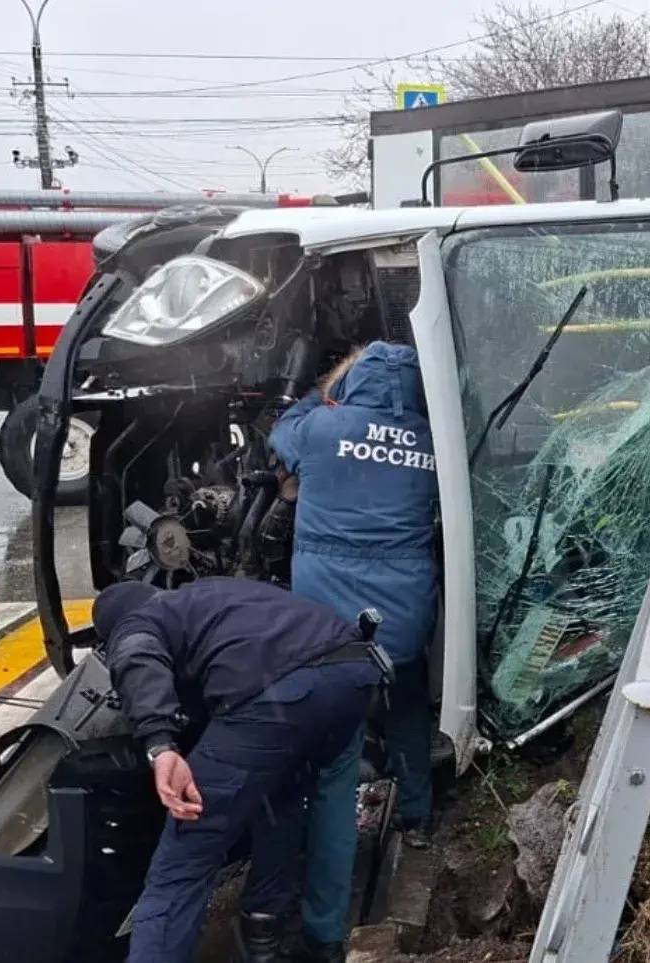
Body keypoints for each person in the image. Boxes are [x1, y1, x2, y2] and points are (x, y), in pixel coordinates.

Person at [92, 577, 385, 963]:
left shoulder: (139, 621)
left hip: (279, 697)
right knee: (282, 803)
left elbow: (135, 654)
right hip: (354, 678)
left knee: (182, 861)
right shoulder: (209, 594)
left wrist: (160, 744)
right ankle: (277, 931)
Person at [269, 340, 439, 961]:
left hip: (329, 625)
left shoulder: (320, 427)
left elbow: (278, 433)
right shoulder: (432, 436)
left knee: (336, 770)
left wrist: (328, 385)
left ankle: (324, 931)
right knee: (408, 702)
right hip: (406, 614)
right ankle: (418, 818)